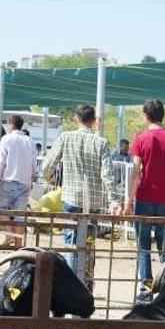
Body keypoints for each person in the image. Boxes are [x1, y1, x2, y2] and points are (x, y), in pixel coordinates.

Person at [122, 99, 165, 303]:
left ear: (145, 115)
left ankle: (145, 289)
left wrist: (128, 200)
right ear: (163, 115)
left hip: (144, 198)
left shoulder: (140, 138)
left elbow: (135, 172)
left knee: (144, 246)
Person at [42, 105, 117, 278]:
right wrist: (113, 200)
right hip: (93, 201)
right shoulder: (102, 142)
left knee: (72, 244)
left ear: (76, 118)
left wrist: (51, 179)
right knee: (89, 243)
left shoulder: (65, 138)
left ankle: (74, 283)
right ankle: (87, 281)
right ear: (94, 121)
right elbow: (107, 175)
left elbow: (47, 166)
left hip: (71, 199)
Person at [0, 115, 37, 247]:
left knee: (0, 209)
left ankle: (9, 235)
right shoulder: (30, 141)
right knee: (20, 214)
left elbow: (1, 160)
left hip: (9, 180)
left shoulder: (7, 139)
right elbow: (34, 164)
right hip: (24, 182)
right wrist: (32, 179)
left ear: (11, 124)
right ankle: (19, 242)